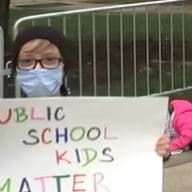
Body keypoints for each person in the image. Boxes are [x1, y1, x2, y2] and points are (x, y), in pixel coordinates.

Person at [10, 26, 172, 159]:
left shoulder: (90, 117)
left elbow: (121, 157)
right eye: (27, 61)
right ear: (16, 68)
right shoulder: (6, 123)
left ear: (64, 66)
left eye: (50, 60)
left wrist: (154, 151)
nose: (38, 69)